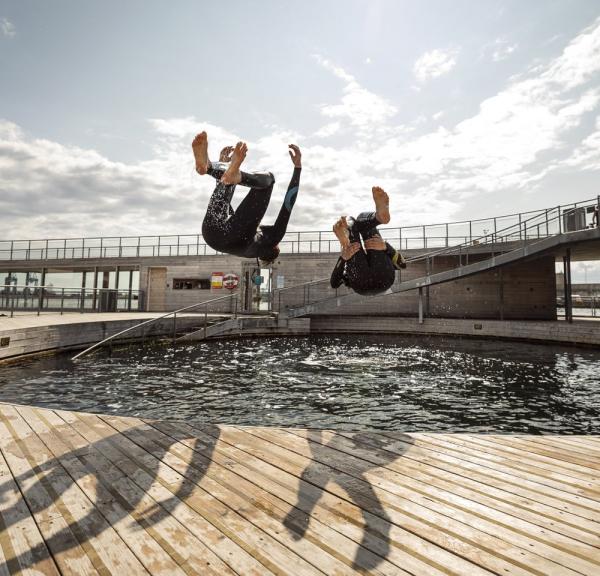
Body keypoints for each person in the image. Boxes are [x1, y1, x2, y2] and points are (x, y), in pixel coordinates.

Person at [192, 132, 301, 263]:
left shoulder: (272, 238)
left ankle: (221, 171)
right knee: (229, 180)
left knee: (269, 181)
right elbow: (227, 211)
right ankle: (208, 167)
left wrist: (297, 168)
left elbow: (288, 204)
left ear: (275, 248)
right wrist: (224, 173)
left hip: (232, 235)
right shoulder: (247, 250)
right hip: (211, 236)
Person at [330, 187, 406, 296]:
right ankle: (378, 218)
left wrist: (343, 258)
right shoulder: (383, 255)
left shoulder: (348, 275)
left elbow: (334, 284)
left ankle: (347, 229)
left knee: (353, 239)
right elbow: (402, 265)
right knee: (365, 224)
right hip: (384, 278)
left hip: (362, 281)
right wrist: (385, 246)